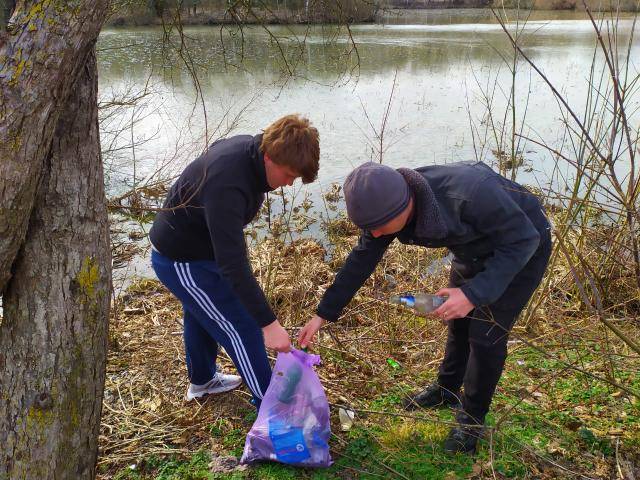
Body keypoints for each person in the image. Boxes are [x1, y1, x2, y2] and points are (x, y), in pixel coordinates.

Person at [298, 161, 551, 454]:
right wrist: (322, 314)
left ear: (405, 206)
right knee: (458, 323)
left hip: (522, 248)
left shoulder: (471, 193)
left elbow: (524, 239)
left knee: (485, 336)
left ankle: (471, 421)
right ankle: (446, 390)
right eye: (369, 228)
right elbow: (361, 259)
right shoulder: (383, 208)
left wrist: (472, 294)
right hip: (472, 249)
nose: (376, 234)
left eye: (379, 227)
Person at [150, 114, 320, 408]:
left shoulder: (251, 152)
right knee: (242, 325)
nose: (290, 184)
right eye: (289, 175)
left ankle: (202, 381)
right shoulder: (228, 183)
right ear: (269, 157)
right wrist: (269, 324)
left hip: (203, 248)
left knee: (203, 311)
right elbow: (232, 263)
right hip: (180, 259)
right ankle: (274, 409)